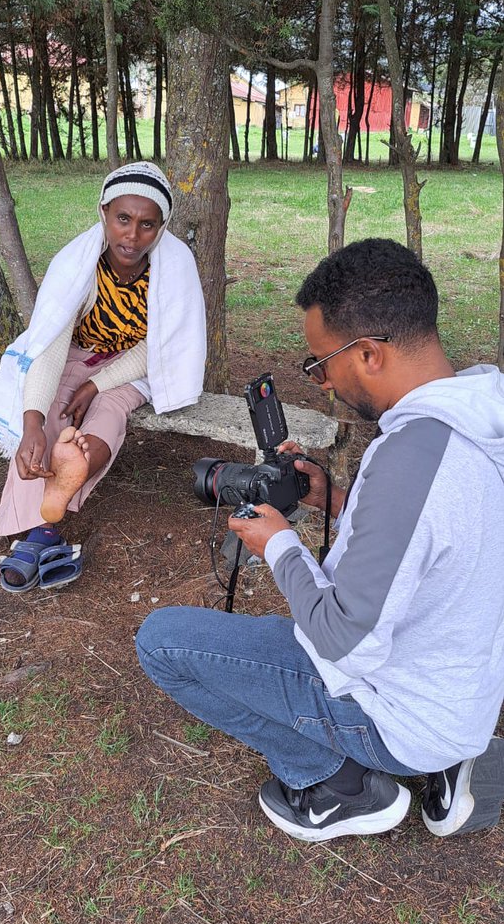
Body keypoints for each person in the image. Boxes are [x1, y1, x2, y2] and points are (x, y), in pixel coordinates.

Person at [135, 238, 504, 842]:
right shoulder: (481, 413)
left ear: (368, 354)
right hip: (463, 689)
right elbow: (441, 543)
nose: (323, 384)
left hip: (405, 717)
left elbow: (341, 641)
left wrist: (277, 544)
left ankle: (337, 786)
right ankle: (451, 759)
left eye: (320, 365)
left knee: (162, 642)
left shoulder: (410, 462)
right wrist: (334, 502)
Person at [0, 162, 206, 592]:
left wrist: (96, 385)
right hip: (74, 352)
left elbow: (157, 349)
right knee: (51, 417)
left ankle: (44, 527)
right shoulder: (78, 264)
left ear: (161, 227)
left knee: (108, 414)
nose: (132, 235)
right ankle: (51, 515)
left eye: (147, 224)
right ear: (103, 212)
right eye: (123, 219)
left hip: (131, 367)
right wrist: (31, 420)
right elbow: (50, 346)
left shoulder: (174, 270)